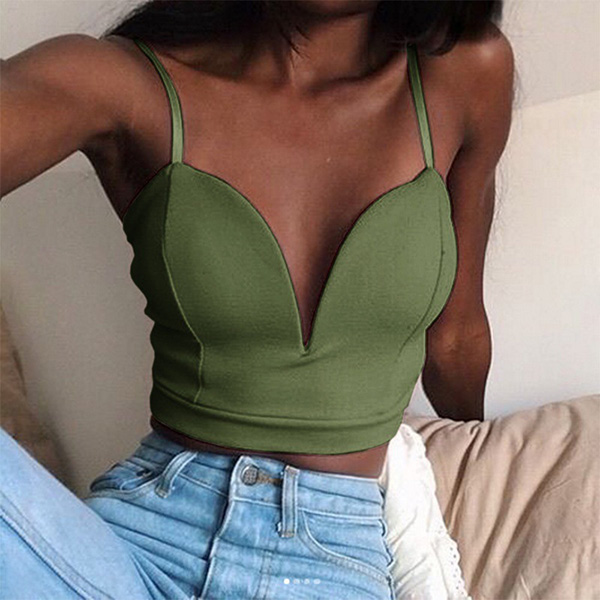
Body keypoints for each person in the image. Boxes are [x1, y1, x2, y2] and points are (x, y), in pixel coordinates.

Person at [0, 1, 513, 598]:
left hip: (330, 557)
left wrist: (469, 459)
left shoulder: (464, 72)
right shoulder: (121, 81)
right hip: (136, 545)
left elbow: (455, 337)